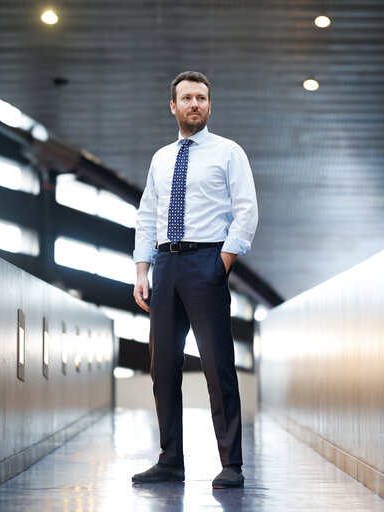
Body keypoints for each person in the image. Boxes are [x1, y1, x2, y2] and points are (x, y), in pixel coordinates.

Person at [131, 71, 258, 489]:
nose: (195, 105)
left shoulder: (228, 152)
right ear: (174, 106)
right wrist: (142, 269)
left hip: (207, 261)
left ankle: (232, 464)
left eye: (202, 98)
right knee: (163, 367)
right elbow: (147, 215)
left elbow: (246, 211)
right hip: (165, 265)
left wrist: (221, 261)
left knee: (217, 364)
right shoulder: (161, 158)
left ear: (209, 105)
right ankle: (170, 460)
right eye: (187, 98)